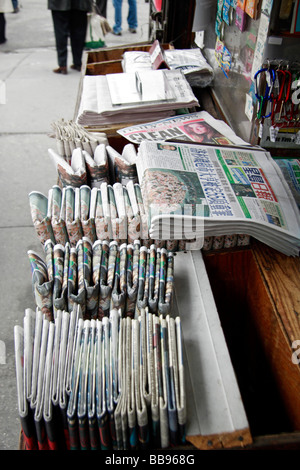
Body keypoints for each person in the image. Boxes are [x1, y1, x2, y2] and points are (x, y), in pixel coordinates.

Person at [48, 0, 91, 75]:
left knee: (60, 31)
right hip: (80, 3)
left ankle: (63, 64)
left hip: (60, 4)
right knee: (79, 31)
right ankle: (77, 62)